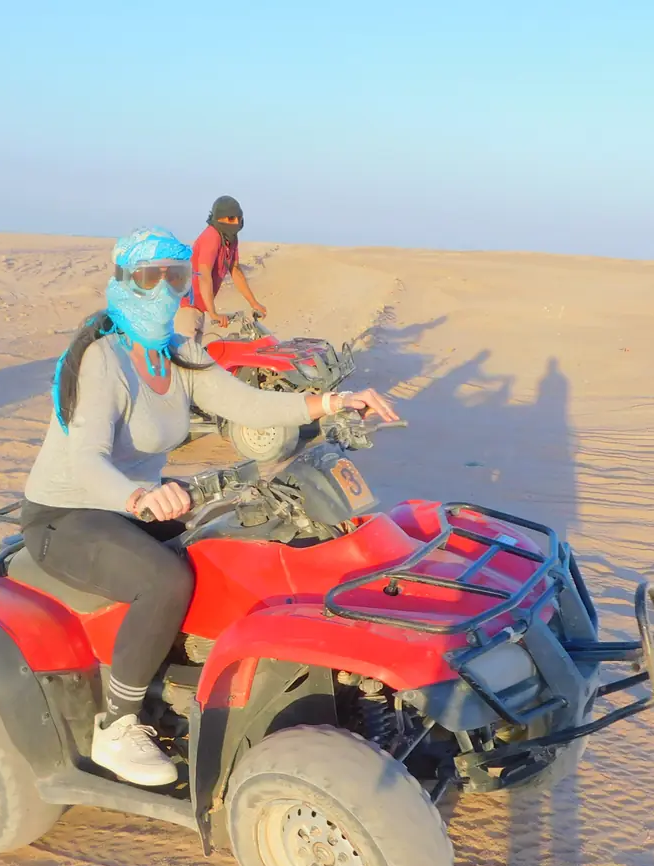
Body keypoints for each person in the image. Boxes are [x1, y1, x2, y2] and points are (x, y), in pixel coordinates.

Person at [21, 227, 398, 787]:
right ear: (123, 280)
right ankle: (119, 724)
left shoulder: (177, 354)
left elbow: (244, 401)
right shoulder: (104, 360)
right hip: (69, 515)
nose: (163, 290)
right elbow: (87, 460)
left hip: (135, 510)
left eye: (175, 277)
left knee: (231, 540)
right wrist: (138, 494)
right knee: (165, 580)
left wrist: (332, 401)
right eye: (150, 277)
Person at [179, 195, 266, 341]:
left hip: (199, 310)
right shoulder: (212, 236)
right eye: (231, 218)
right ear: (219, 218)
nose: (237, 222)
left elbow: (235, 271)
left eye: (239, 218)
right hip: (186, 308)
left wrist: (254, 303)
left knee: (194, 357)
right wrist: (213, 313)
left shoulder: (230, 239)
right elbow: (203, 274)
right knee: (186, 357)